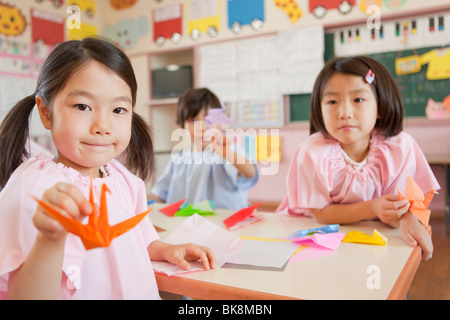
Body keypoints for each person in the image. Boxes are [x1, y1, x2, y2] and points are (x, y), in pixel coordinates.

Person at [0, 37, 215, 300]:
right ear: (45, 112)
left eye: (119, 109)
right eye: (83, 106)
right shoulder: (35, 186)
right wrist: (49, 241)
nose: (103, 125)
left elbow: (138, 240)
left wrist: (166, 250)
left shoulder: (122, 179)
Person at [277, 56, 440, 261]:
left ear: (380, 107)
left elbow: (399, 208)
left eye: (358, 100)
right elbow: (320, 213)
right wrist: (373, 207)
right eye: (332, 101)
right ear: (320, 108)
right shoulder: (311, 153)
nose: (344, 112)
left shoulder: (399, 148)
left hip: (371, 241)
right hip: (315, 237)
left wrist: (406, 218)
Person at [150, 88, 258, 210]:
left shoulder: (228, 151)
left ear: (219, 123)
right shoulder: (178, 160)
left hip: (223, 226)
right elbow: (160, 194)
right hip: (186, 225)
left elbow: (250, 173)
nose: (202, 127)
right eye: (194, 121)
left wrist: (227, 153)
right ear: (182, 128)